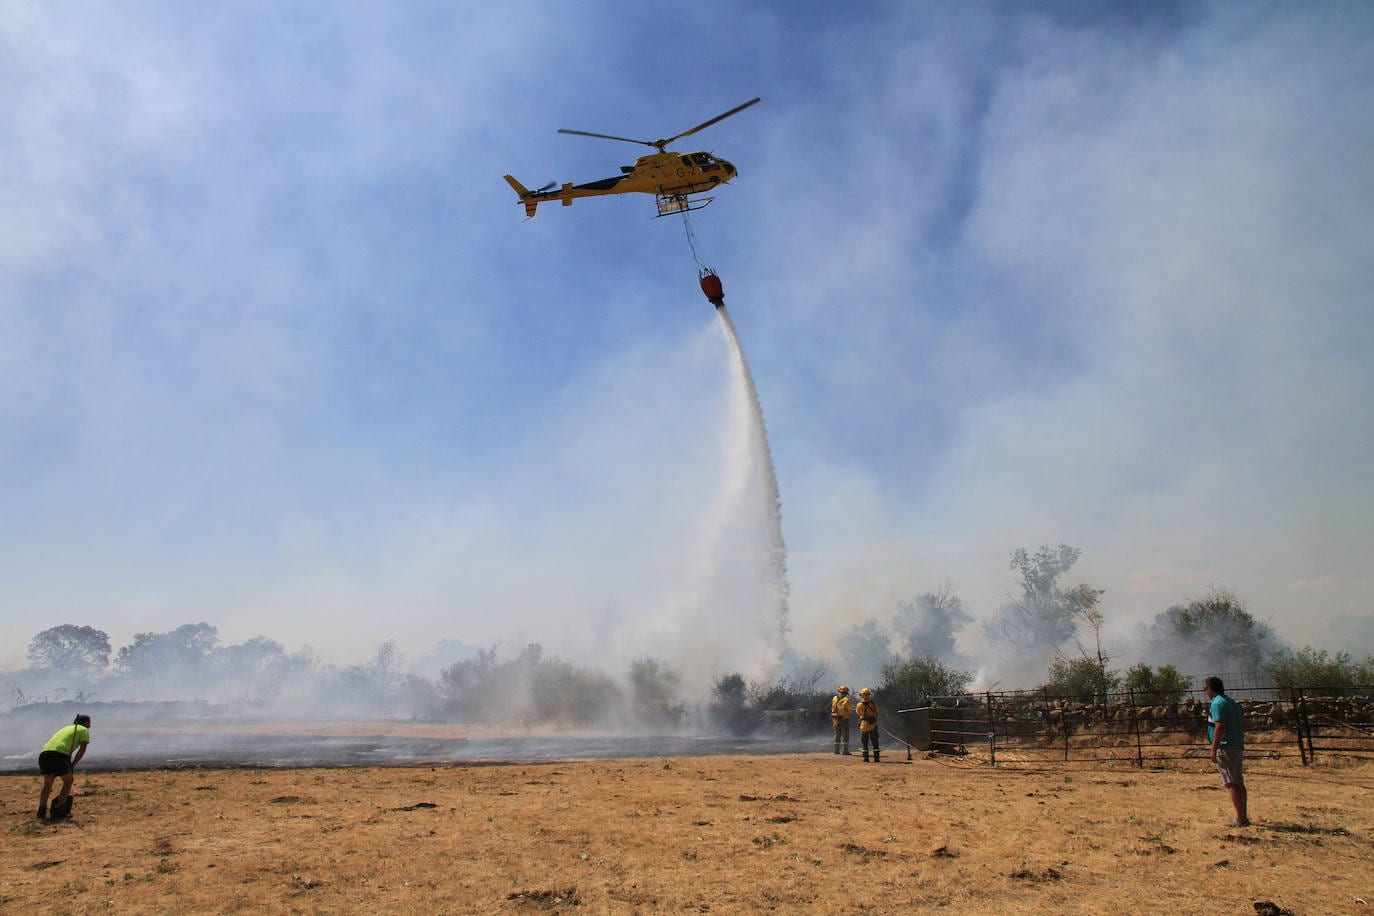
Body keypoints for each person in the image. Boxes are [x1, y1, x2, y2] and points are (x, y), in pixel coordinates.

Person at [1204, 676, 1248, 827]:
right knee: (1238, 782)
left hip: (1225, 746)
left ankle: (1239, 818)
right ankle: (1243, 815)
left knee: (1230, 783)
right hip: (1236, 744)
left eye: (1206, 688)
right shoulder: (1231, 702)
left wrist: (1213, 748)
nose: (1205, 691)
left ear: (1211, 688)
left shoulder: (1217, 703)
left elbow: (1220, 725)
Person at [38, 714, 91, 821]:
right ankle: (59, 809)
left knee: (48, 784)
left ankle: (41, 810)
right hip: (59, 755)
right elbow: (82, 748)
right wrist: (73, 763)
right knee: (68, 781)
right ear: (85, 723)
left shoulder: (66, 728)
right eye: (89, 722)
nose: (90, 725)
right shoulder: (83, 730)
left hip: (45, 754)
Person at [856, 687, 880, 762]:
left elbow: (858, 713)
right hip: (872, 725)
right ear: (869, 695)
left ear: (861, 695)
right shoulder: (872, 703)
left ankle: (866, 759)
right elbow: (877, 710)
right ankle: (876, 759)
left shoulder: (859, 705)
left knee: (865, 743)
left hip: (864, 725)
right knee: (875, 742)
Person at [830, 685, 853, 755]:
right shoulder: (847, 700)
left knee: (837, 734)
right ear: (846, 692)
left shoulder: (834, 698)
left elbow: (833, 708)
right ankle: (845, 751)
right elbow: (849, 711)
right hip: (844, 719)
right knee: (845, 735)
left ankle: (836, 750)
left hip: (835, 719)